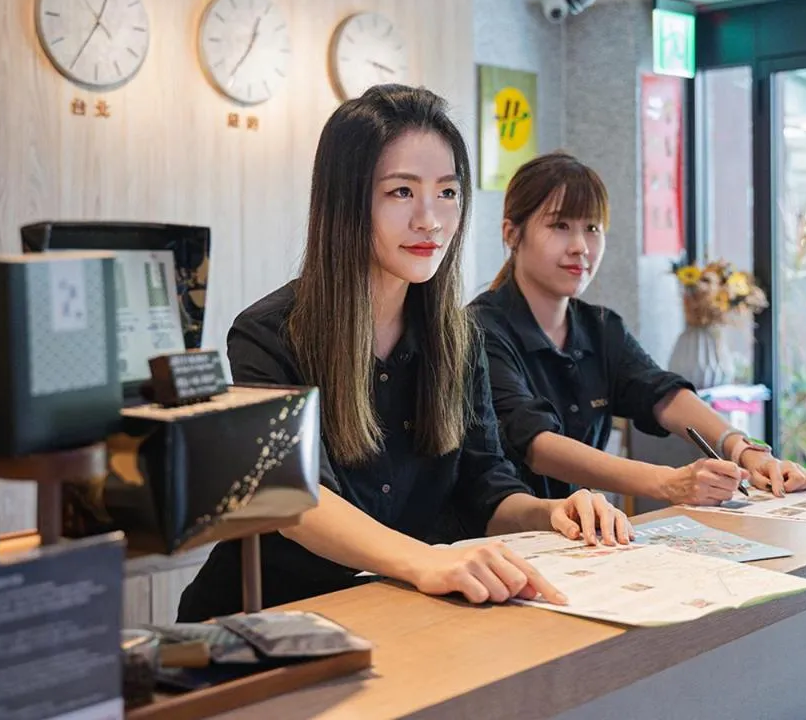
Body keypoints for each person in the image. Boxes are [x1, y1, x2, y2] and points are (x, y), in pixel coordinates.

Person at [176, 87, 632, 622]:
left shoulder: (460, 338)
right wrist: (424, 561)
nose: (430, 220)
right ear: (346, 200)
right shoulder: (269, 333)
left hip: (403, 613)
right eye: (400, 193)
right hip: (279, 621)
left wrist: (552, 513)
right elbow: (296, 501)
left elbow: (487, 486)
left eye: (447, 193)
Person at [469, 152, 806, 506]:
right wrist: (668, 482)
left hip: (576, 536)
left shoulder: (600, 327)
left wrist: (744, 449)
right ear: (512, 233)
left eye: (592, 228)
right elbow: (537, 445)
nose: (580, 247)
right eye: (560, 226)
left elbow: (660, 392)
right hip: (495, 542)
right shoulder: (479, 329)